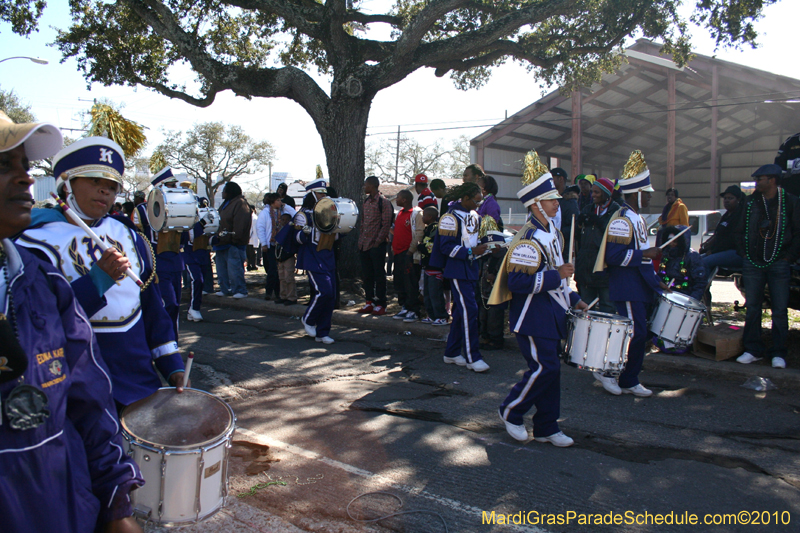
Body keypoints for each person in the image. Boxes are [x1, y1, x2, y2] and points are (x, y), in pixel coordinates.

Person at [0, 111, 146, 533]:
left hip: (62, 499)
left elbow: (85, 400)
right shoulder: (39, 240)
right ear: (67, 186)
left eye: (25, 167)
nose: (27, 180)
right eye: (3, 165)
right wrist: (98, 277)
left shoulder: (36, 275)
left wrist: (117, 502)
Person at [18, 136, 187, 410]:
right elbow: (37, 322)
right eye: (94, 181)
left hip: (137, 382)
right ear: (67, 184)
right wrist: (98, 281)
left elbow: (151, 308)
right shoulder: (32, 242)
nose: (104, 192)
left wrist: (171, 364)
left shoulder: (130, 237)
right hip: (72, 388)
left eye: (111, 186)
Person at [490, 150, 587, 446]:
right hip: (531, 317)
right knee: (545, 368)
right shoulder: (528, 240)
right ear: (536, 205)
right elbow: (519, 283)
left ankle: (546, 426)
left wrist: (574, 299)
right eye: (551, 200)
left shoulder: (552, 235)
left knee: (551, 371)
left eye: (556, 199)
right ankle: (510, 410)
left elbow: (559, 282)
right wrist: (557, 275)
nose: (557, 204)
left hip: (551, 314)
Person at [592, 150, 667, 398]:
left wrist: (656, 282)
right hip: (626, 284)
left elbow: (643, 257)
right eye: (647, 192)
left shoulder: (637, 218)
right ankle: (610, 372)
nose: (649, 197)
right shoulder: (623, 220)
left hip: (638, 285)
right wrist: (645, 255)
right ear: (637, 193)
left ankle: (628, 378)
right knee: (633, 333)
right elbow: (613, 257)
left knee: (637, 333)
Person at [734, 164, 800, 369]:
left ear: (772, 180)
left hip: (779, 262)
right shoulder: (751, 201)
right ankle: (752, 349)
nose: (756, 182)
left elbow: (798, 233)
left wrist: (788, 257)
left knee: (779, 309)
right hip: (753, 262)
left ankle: (778, 352)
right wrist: (744, 253)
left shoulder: (790, 201)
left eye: (760, 178)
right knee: (753, 307)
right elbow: (739, 230)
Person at [432, 182, 490, 372]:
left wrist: (487, 247)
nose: (478, 205)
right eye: (476, 201)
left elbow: (475, 240)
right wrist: (471, 252)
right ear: (465, 198)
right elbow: (445, 247)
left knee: (460, 311)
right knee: (469, 311)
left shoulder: (474, 216)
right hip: (457, 269)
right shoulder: (449, 217)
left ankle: (452, 352)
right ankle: (473, 357)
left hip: (471, 269)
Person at [294, 179, 338, 344]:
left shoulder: (328, 212)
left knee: (331, 296)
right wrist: (306, 230)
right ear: (312, 194)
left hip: (328, 256)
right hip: (313, 258)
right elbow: (297, 239)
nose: (323, 196)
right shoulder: (303, 214)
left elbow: (338, 235)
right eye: (320, 193)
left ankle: (322, 332)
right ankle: (308, 318)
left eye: (324, 193)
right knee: (323, 292)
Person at [653, 225, 707, 354]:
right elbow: (661, 274)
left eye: (675, 241)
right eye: (669, 240)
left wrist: (692, 302)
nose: (672, 244)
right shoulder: (666, 254)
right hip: (666, 294)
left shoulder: (692, 256)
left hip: (685, 295)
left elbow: (700, 281)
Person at [575, 177, 620, 314]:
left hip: (605, 270)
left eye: (597, 192)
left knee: (607, 307)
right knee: (586, 308)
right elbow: (578, 238)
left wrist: (599, 223)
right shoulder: (588, 209)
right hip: (586, 268)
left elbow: (615, 238)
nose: (592, 195)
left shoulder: (616, 211)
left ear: (606, 194)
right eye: (593, 192)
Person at [357, 175, 393, 316]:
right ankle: (369, 301)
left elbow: (386, 224)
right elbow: (363, 223)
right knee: (367, 275)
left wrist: (377, 242)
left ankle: (381, 303)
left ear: (372, 185)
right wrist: (361, 240)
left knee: (379, 275)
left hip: (376, 245)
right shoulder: (366, 202)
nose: (364, 187)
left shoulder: (383, 202)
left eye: (366, 185)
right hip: (364, 245)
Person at [214, 181, 251, 298]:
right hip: (221, 242)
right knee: (221, 269)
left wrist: (234, 238)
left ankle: (240, 290)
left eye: (224, 190)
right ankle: (225, 288)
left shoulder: (240, 203)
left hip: (233, 243)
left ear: (230, 191)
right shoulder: (226, 203)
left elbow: (240, 223)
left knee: (234, 269)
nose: (223, 193)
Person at [391, 190, 424, 323]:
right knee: (399, 281)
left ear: (404, 199)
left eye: (398, 198)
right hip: (398, 254)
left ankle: (414, 310)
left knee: (410, 282)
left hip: (409, 254)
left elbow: (419, 233)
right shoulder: (399, 213)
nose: (396, 200)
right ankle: (404, 306)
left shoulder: (416, 213)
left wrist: (410, 251)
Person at [700, 185, 745, 281]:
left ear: (738, 200)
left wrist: (713, 251)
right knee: (696, 260)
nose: (727, 201)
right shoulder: (726, 215)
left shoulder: (739, 216)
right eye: (725, 198)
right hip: (721, 250)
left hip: (735, 252)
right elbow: (718, 234)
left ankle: (700, 290)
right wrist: (707, 244)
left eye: (730, 198)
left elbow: (730, 240)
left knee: (704, 262)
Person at [184, 197, 213, 322]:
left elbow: (207, 237)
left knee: (200, 283)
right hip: (189, 255)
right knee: (197, 280)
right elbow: (189, 236)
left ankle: (193, 308)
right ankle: (194, 308)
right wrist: (202, 223)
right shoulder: (184, 219)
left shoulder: (198, 218)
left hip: (201, 255)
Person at [419, 206, 448, 325]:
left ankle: (442, 316)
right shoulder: (428, 228)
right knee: (427, 294)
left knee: (435, 294)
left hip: (434, 267)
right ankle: (431, 315)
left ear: (430, 217)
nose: (422, 217)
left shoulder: (435, 229)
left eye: (424, 215)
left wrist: (420, 247)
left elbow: (431, 247)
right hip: (427, 267)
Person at [257, 193, 282, 301]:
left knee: (278, 270)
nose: (280, 202)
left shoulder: (281, 212)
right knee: (272, 269)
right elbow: (260, 228)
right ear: (272, 202)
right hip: (270, 244)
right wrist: (264, 243)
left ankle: (278, 292)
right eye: (278, 200)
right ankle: (269, 291)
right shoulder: (265, 213)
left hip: (279, 245)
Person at [247, 203, 260, 271]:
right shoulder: (254, 217)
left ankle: (251, 265)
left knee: (250, 253)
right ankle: (252, 265)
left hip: (251, 238)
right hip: (252, 238)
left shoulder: (252, 217)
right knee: (252, 253)